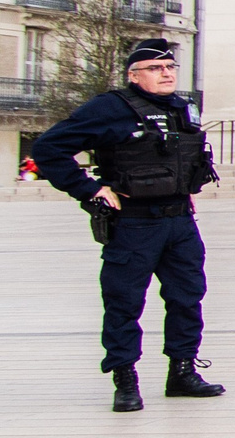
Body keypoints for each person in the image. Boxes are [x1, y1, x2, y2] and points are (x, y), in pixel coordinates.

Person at [27, 38, 224, 413]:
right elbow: (48, 149)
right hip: (135, 223)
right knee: (124, 303)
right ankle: (125, 380)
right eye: (155, 68)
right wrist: (90, 189)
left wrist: (184, 188)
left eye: (170, 67)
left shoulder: (182, 107)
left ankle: (182, 372)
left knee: (187, 298)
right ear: (134, 75)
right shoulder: (110, 108)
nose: (166, 73)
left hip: (180, 221)